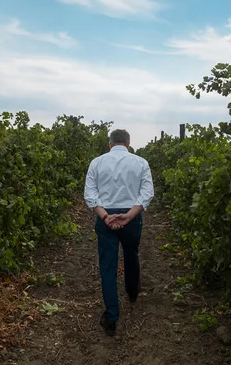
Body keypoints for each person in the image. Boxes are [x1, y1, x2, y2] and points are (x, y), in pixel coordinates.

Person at [83, 129, 154, 336]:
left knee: (108, 266)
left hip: (106, 218)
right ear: (129, 143)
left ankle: (111, 317)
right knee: (131, 254)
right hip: (131, 217)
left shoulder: (96, 163)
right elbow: (147, 193)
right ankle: (132, 292)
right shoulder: (141, 163)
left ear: (110, 144)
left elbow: (90, 194)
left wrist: (105, 216)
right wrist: (129, 215)